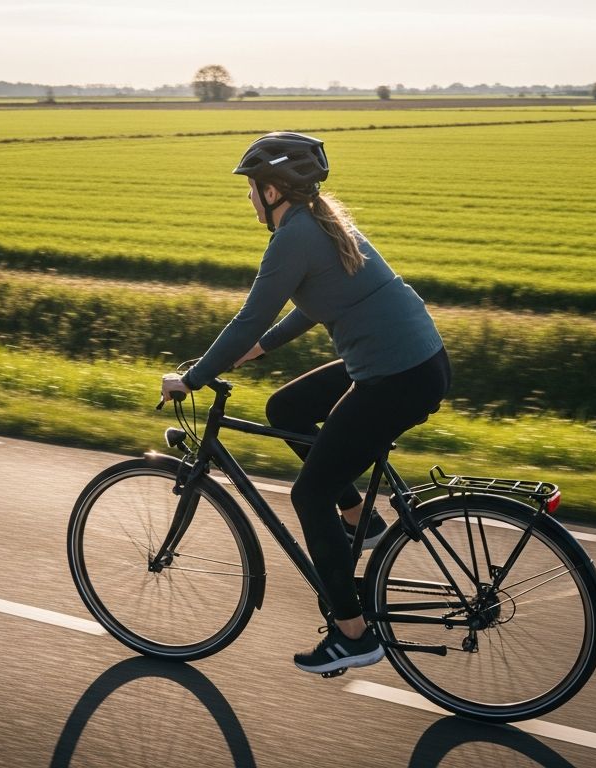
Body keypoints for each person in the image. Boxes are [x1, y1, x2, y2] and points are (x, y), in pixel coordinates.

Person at [160, 132, 450, 676]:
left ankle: (352, 633)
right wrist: (260, 350)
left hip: (395, 376)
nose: (247, 198)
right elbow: (311, 306)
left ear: (273, 190)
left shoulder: (293, 237)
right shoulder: (321, 221)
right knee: (286, 410)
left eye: (250, 187)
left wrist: (194, 377)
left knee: (308, 494)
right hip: (410, 361)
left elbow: (252, 314)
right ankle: (362, 517)